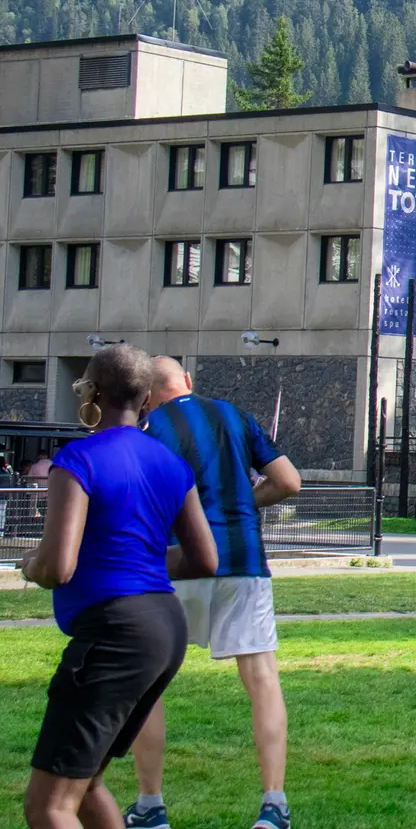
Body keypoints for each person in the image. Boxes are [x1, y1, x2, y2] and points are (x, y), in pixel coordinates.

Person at [21, 345, 218, 829]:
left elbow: (57, 567)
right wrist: (137, 560)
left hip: (115, 634)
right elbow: (205, 560)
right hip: (164, 629)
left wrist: (30, 564)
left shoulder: (78, 459)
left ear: (91, 393)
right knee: (85, 785)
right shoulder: (171, 463)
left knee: (48, 806)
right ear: (147, 398)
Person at [127, 358, 305, 829]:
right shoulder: (235, 415)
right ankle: (273, 804)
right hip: (242, 560)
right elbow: (289, 481)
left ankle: (151, 805)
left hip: (176, 563)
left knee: (149, 685)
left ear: (147, 394)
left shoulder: (149, 430)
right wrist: (247, 501)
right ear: (187, 381)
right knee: (262, 679)